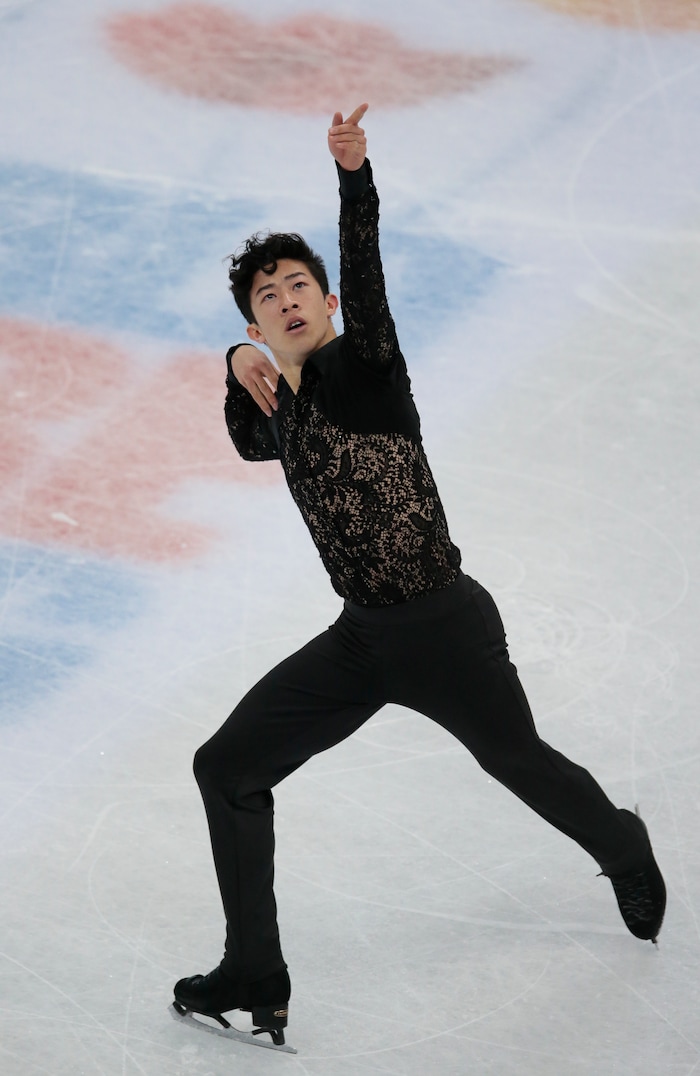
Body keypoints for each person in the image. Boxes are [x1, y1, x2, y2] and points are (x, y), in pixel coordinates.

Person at [172, 104, 666, 1047]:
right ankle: (253, 969)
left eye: (300, 284)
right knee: (226, 768)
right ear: (254, 318)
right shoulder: (270, 403)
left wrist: (354, 180)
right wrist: (235, 363)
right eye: (269, 293)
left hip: (444, 627)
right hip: (361, 640)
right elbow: (241, 431)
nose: (287, 297)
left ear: (330, 301)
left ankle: (621, 843)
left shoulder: (370, 365)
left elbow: (367, 261)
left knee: (519, 763)